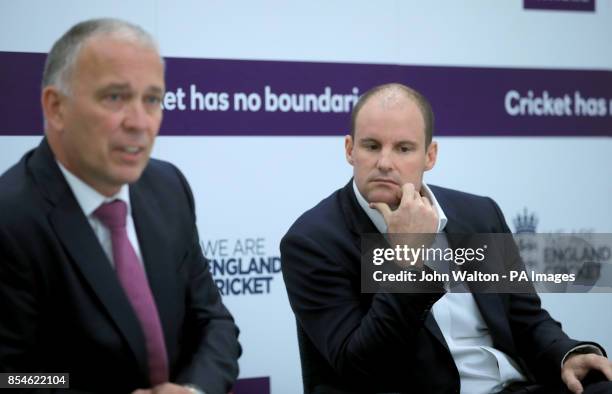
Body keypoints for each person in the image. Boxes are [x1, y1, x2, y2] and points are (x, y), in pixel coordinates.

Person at [280, 83, 612, 393]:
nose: (384, 162)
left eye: (404, 148)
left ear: (430, 156)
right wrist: (407, 261)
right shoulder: (314, 241)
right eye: (371, 146)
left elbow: (524, 318)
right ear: (350, 149)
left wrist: (566, 354)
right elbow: (361, 368)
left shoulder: (477, 213)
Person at [0, 18, 240, 394]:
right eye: (115, 97)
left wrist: (195, 390)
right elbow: (12, 377)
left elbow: (214, 323)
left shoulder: (168, 187)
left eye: (153, 100)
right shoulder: (10, 218)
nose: (140, 123)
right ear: (56, 107)